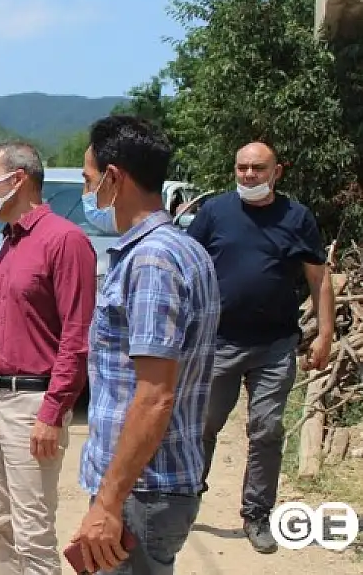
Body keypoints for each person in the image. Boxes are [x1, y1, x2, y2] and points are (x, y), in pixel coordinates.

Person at [73, 115, 220, 575]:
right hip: (147, 485)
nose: (87, 192)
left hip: (143, 488)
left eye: (89, 179)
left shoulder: (153, 259)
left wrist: (109, 502)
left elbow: (155, 396)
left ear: (114, 178)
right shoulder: (182, 247)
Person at [186, 141, 333, 553]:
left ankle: (257, 515)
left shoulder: (296, 217)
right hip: (219, 342)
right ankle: (185, 501)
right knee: (203, 426)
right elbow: (188, 265)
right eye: (242, 168)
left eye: (257, 168)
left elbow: (319, 278)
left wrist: (324, 335)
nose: (248, 175)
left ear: (276, 172)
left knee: (267, 430)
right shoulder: (215, 212)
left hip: (274, 345)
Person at [0, 142, 96, 574]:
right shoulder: (10, 242)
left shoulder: (65, 241)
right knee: (1, 525)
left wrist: (53, 412)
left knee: (32, 533)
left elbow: (77, 337)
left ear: (17, 179)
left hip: (31, 404)